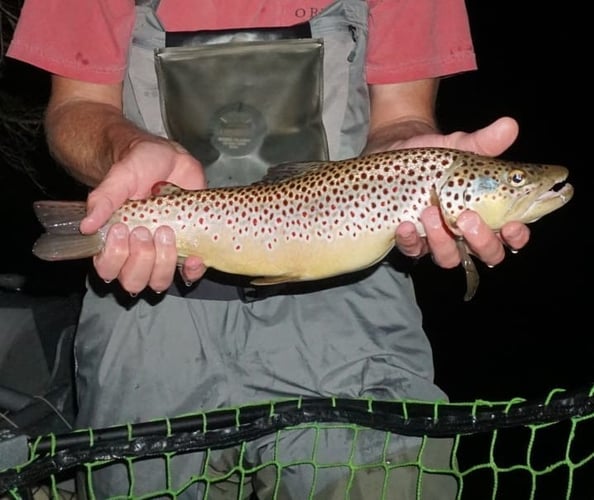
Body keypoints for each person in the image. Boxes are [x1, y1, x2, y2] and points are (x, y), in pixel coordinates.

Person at [8, 0, 530, 498]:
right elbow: (77, 106)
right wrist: (127, 148)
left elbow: (400, 117)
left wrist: (408, 147)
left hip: (352, 319)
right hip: (143, 301)